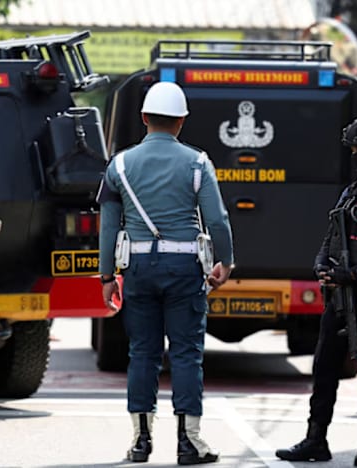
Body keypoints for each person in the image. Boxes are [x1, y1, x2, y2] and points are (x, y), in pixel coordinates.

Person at [96, 81, 234, 465]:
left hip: (138, 268)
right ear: (181, 121)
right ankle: (189, 443)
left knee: (142, 353)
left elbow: (108, 226)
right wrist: (227, 260)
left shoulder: (119, 165)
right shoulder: (198, 163)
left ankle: (140, 442)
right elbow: (218, 220)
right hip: (185, 269)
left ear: (143, 118)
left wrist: (107, 277)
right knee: (187, 354)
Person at [276, 114, 357, 465]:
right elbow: (332, 233)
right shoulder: (351, 192)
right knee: (324, 369)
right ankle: (315, 438)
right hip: (339, 297)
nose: (355, 158)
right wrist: (322, 264)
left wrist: (356, 274)